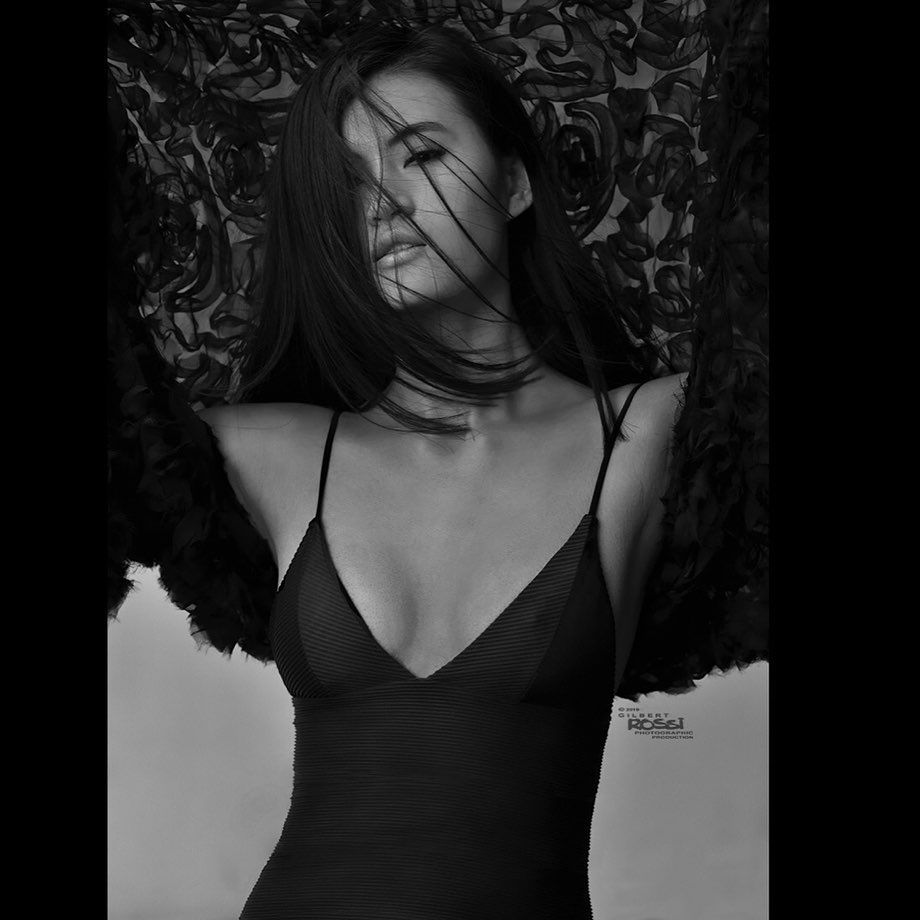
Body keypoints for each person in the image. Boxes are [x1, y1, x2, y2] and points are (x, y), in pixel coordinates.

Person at [107, 6, 767, 919]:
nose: (382, 203)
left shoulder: (650, 433)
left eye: (420, 156)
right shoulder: (268, 452)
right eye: (347, 185)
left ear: (515, 183)